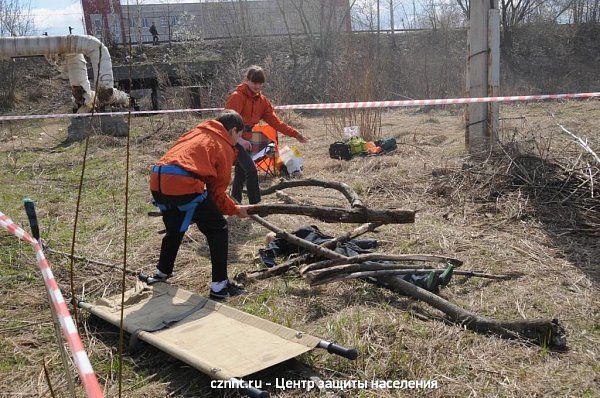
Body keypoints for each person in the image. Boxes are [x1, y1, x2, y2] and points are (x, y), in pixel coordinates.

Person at [148, 110, 253, 300]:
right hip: (183, 183)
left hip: (158, 179)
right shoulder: (222, 145)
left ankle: (161, 273)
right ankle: (219, 286)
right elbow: (216, 193)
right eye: (239, 136)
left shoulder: (197, 132)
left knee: (175, 228)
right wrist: (236, 210)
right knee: (218, 228)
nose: (238, 140)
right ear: (233, 130)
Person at [225, 65, 308, 205]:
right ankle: (255, 205)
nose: (257, 86)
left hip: (249, 135)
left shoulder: (262, 101)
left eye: (260, 83)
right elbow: (226, 122)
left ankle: (235, 201)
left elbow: (275, 122)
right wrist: (238, 139)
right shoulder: (237, 97)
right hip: (233, 136)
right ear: (247, 80)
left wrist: (295, 133)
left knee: (269, 146)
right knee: (250, 170)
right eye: (254, 82)